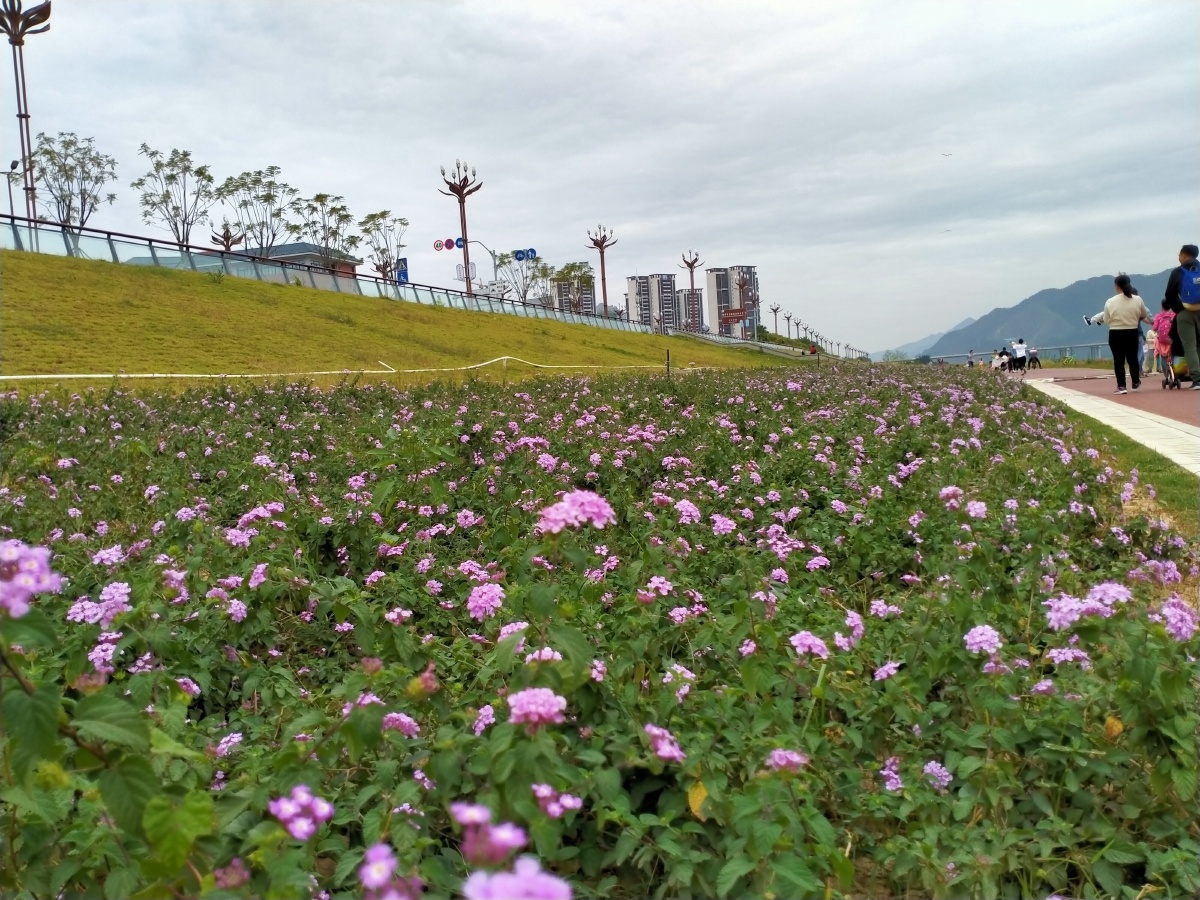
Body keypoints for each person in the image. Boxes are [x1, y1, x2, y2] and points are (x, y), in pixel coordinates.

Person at [1084, 274, 1152, 394]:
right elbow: (1143, 314)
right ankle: (1135, 382)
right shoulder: (1137, 299)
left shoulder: (1110, 301)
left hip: (1115, 333)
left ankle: (1121, 386)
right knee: (1133, 359)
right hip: (1132, 331)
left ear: (1116, 286)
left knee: (1118, 360)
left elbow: (1106, 318)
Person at [1164, 244, 1200, 390]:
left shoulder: (1178, 272)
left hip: (1185, 312)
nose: (1178, 257)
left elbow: (1169, 294)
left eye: (1179, 255)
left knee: (1189, 346)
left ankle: (1197, 380)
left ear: (1184, 255)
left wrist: (1179, 309)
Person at [1152, 299, 1176, 377]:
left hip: (1162, 340)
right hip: (1172, 339)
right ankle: (1174, 373)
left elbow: (1155, 328)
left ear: (1162, 306)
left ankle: (1166, 375)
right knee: (1172, 355)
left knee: (1163, 357)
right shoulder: (1174, 314)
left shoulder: (1158, 316)